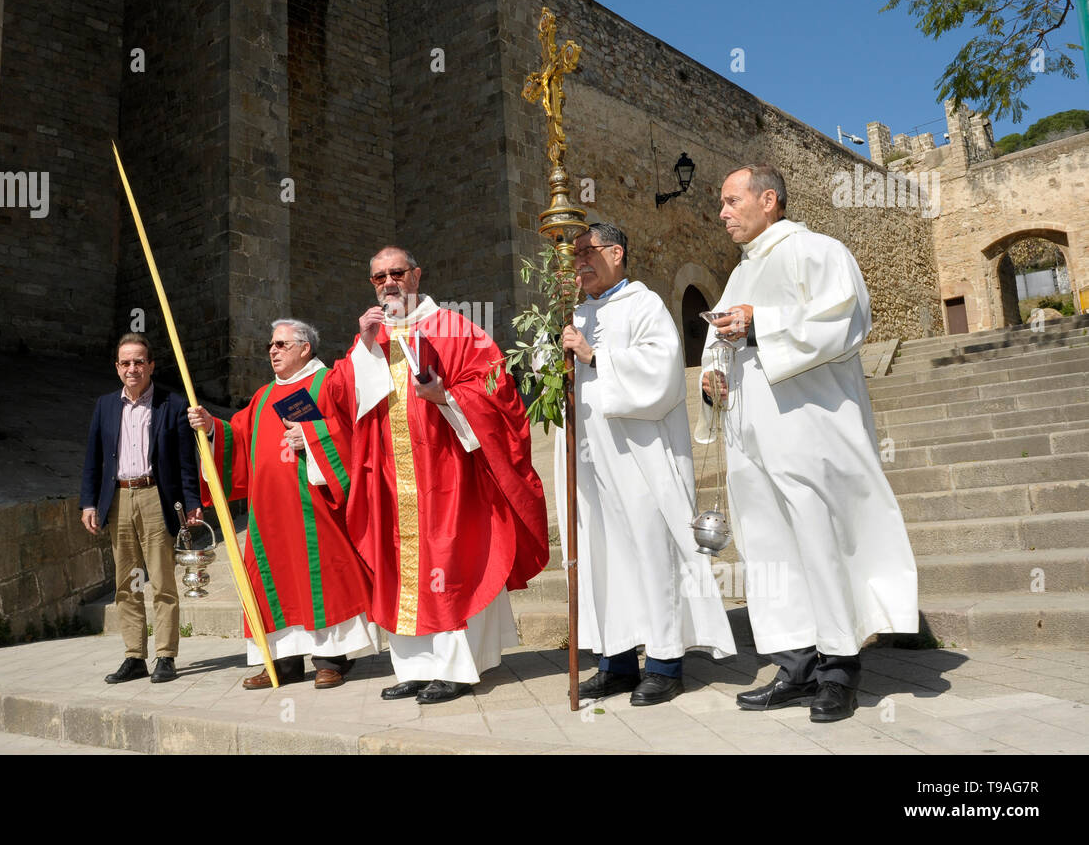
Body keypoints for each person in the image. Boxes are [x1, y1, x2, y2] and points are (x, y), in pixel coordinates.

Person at [696, 164, 918, 723]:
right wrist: (712, 376)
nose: (721, 213)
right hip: (751, 437)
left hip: (807, 430)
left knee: (819, 540)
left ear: (768, 199)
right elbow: (720, 339)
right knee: (769, 549)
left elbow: (847, 321)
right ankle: (795, 663)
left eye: (730, 200)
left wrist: (760, 322)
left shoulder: (817, 250)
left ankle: (839, 668)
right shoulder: (739, 273)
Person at [324, 246, 550, 704]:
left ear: (417, 275)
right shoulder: (371, 337)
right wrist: (364, 346)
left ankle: (454, 667)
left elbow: (497, 391)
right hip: (389, 480)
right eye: (379, 277)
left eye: (397, 273)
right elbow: (339, 401)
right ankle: (414, 666)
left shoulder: (454, 327)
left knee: (448, 564)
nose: (389, 283)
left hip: (449, 476)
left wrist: (447, 396)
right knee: (399, 571)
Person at [559, 222, 736, 706]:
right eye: (573, 253)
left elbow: (663, 376)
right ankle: (615, 661)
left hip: (640, 456)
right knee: (603, 556)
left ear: (616, 252)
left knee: (651, 552)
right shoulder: (574, 313)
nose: (578, 260)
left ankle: (663, 663)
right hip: (592, 458)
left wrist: (594, 354)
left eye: (586, 251)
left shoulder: (644, 304)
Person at [187, 319, 377, 689]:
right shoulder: (262, 397)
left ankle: (330, 659)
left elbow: (354, 432)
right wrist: (211, 427)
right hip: (267, 514)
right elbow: (238, 438)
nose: (272, 351)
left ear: (305, 348)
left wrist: (313, 437)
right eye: (270, 346)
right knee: (271, 581)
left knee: (321, 577)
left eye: (281, 344)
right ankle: (282, 663)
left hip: (315, 507)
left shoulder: (326, 383)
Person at [81, 332, 202, 685]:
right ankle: (134, 656)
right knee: (126, 583)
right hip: (118, 499)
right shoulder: (105, 405)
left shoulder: (172, 404)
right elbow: (93, 458)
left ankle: (166, 655)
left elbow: (185, 463)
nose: (132, 368)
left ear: (150, 365)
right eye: (125, 363)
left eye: (138, 362)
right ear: (117, 368)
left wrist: (192, 504)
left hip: (154, 497)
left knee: (162, 580)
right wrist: (89, 502)